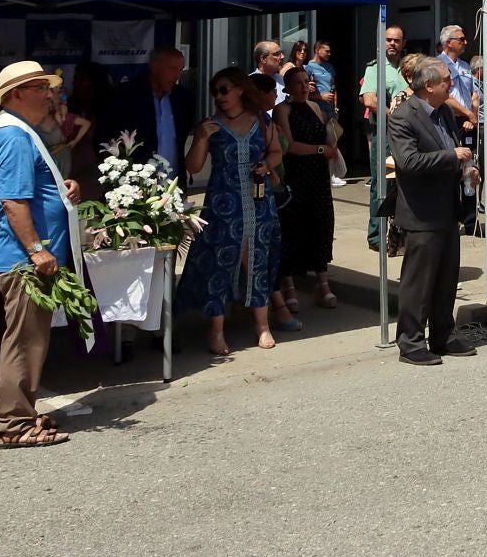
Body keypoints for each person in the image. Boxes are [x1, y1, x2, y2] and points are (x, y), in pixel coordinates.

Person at [0, 61, 79, 449]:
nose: (50, 94)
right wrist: (37, 249)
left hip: (26, 257)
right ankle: (12, 423)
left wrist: (61, 188)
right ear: (17, 94)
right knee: (24, 340)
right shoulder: (14, 136)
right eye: (41, 87)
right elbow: (13, 201)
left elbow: (30, 191)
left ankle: (18, 412)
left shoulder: (20, 132)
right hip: (25, 259)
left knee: (29, 338)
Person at [176, 67, 282, 356]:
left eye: (224, 90)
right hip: (224, 202)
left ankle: (262, 325)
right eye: (216, 92)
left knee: (256, 259)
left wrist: (267, 166)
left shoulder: (261, 120)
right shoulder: (210, 125)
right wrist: (200, 138)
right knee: (221, 262)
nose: (219, 97)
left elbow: (275, 151)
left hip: (259, 201)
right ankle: (216, 330)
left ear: (239, 90)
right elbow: (193, 167)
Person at [386, 57, 477, 365]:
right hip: (421, 213)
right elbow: (408, 163)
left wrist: (468, 168)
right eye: (446, 81)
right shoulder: (403, 117)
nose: (451, 85)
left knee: (446, 279)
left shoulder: (445, 113)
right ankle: (410, 342)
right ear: (428, 86)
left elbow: (459, 151)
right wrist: (451, 156)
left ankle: (442, 335)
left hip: (448, 209)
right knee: (419, 283)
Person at [274, 66, 340, 311]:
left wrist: (330, 142)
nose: (304, 87)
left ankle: (323, 283)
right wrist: (321, 150)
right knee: (293, 228)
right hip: (296, 174)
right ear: (288, 88)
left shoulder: (316, 107)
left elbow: (327, 136)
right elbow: (289, 146)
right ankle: (289, 285)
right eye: (298, 83)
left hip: (319, 177)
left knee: (322, 225)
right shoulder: (283, 110)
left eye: (306, 82)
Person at [101, 46, 195, 170]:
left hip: (174, 183)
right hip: (135, 182)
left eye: (180, 70)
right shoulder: (125, 96)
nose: (177, 75)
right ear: (154, 67)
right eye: (172, 69)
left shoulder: (183, 98)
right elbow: (106, 138)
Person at [359, 24, 409, 251]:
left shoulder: (411, 67)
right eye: (388, 40)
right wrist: (395, 115)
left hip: (409, 135)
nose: (392, 44)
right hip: (386, 133)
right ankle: (377, 236)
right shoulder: (374, 69)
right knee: (382, 185)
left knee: (406, 184)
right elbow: (369, 100)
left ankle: (401, 233)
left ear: (403, 44)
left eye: (396, 40)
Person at [304, 40, 343, 188]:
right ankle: (321, 172)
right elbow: (305, 92)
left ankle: (332, 173)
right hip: (317, 108)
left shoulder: (329, 67)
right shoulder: (309, 68)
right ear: (317, 50)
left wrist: (335, 106)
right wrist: (319, 97)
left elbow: (334, 86)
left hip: (330, 109)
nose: (329, 54)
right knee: (320, 139)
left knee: (333, 139)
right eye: (326, 51)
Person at [439, 24, 478, 143]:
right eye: (461, 39)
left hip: (468, 122)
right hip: (447, 120)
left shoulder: (465, 66)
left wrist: (471, 117)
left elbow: (474, 94)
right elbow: (444, 96)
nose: (465, 42)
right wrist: (469, 114)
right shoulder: (437, 65)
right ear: (449, 42)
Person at [252, 41, 287, 106]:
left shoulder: (283, 80)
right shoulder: (250, 83)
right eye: (277, 54)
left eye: (282, 53)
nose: (282, 57)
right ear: (263, 59)